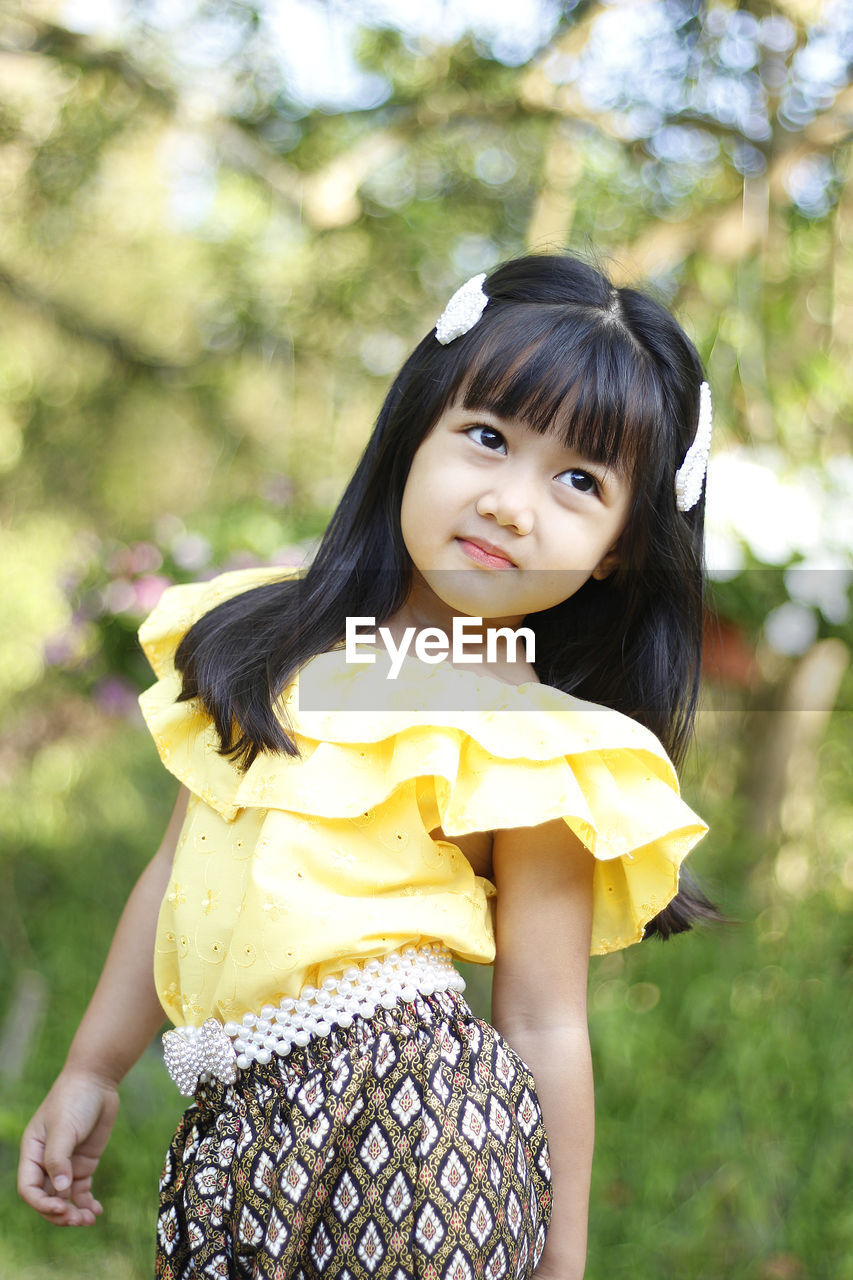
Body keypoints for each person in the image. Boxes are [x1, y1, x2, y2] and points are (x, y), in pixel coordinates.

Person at [19, 254, 714, 1280]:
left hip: (421, 1131)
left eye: (579, 480)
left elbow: (541, 1016)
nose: (512, 504)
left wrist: (560, 1258)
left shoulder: (535, 742)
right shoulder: (261, 636)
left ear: (614, 548)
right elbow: (176, 872)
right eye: (487, 438)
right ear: (414, 432)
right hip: (233, 1121)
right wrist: (91, 1062)